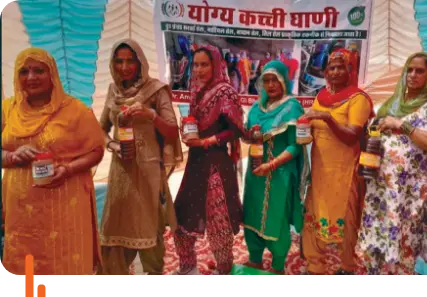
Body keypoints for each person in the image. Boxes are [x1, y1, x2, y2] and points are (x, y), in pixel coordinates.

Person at [1, 47, 105, 276]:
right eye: (23, 71)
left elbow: (96, 150)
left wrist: (68, 169)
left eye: (38, 70)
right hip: (22, 213)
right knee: (28, 273)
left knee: (64, 264)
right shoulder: (7, 109)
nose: (30, 77)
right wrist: (10, 156)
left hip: (65, 206)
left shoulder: (75, 110)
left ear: (52, 75)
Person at [356, 52, 427, 275]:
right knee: (378, 236)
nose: (412, 75)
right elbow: (372, 133)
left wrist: (402, 125)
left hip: (411, 190)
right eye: (409, 69)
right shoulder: (393, 102)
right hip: (380, 186)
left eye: (419, 71)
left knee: (405, 242)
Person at [98, 39, 183, 276]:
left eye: (130, 61)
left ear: (140, 63)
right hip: (121, 171)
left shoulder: (155, 90)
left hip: (147, 171)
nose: (124, 67)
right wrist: (113, 145)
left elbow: (171, 130)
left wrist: (150, 114)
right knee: (116, 227)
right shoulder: (113, 91)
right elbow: (100, 129)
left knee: (149, 227)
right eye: (119, 61)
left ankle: (152, 273)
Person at [173, 45, 245, 275]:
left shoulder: (225, 92)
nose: (199, 69)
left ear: (216, 65)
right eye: (195, 64)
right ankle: (187, 267)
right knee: (183, 217)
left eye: (205, 64)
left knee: (219, 221)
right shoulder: (198, 92)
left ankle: (224, 269)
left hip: (215, 165)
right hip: (195, 164)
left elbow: (235, 131)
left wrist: (205, 141)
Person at [301, 51, 374, 275]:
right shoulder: (321, 95)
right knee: (314, 211)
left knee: (346, 216)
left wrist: (328, 118)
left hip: (345, 169)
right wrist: (304, 129)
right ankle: (315, 264)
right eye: (331, 68)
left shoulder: (358, 98)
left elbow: (352, 134)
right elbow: (313, 124)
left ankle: (346, 266)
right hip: (321, 168)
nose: (335, 72)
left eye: (341, 67)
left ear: (350, 70)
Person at [243, 60, 309, 275]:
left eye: (275, 80)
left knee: (276, 217)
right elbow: (247, 136)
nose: (270, 85)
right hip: (255, 173)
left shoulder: (292, 107)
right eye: (266, 80)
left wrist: (270, 165)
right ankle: (254, 258)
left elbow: (295, 146)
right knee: (252, 214)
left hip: (279, 174)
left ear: (284, 81)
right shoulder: (256, 106)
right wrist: (248, 135)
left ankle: (278, 265)